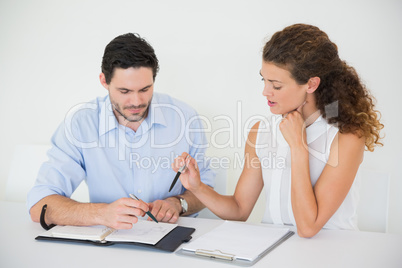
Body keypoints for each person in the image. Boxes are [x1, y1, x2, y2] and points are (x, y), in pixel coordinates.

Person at [172, 24, 384, 238]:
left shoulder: (346, 136)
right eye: (264, 80)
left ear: (311, 84)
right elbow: (239, 209)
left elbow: (308, 227)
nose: (265, 92)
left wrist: (298, 147)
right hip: (276, 250)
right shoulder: (261, 131)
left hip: (333, 251)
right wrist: (197, 186)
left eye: (276, 85)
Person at [28, 33, 215, 229]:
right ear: (104, 81)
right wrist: (101, 213)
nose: (136, 102)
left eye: (145, 89)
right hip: (109, 243)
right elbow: (39, 204)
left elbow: (207, 191)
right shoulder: (81, 124)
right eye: (124, 91)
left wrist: (178, 204)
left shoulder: (184, 118)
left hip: (172, 238)